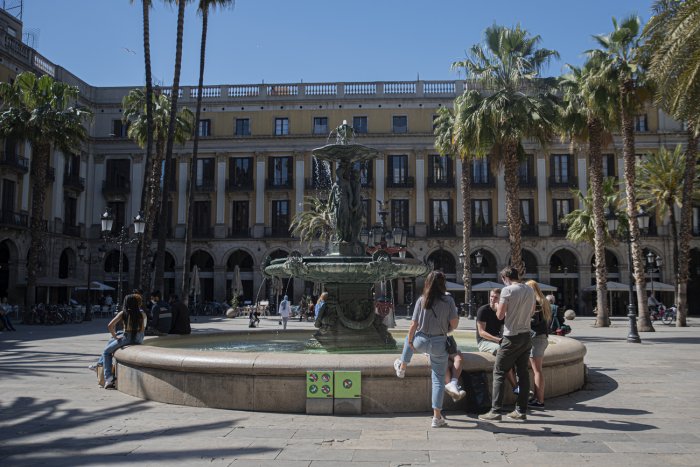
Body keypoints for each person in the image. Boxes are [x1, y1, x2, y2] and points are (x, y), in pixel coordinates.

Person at [393, 271, 459, 428]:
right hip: (439, 342)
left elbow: (413, 326)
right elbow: (454, 324)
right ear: (443, 284)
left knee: (409, 338)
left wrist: (410, 341)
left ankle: (402, 366)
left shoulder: (421, 300)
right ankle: (437, 417)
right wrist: (446, 329)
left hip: (421, 340)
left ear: (427, 283)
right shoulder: (448, 300)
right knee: (438, 378)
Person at [479, 266, 535, 422]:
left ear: (505, 278)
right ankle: (521, 410)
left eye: (503, 280)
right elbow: (531, 312)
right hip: (526, 336)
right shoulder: (529, 290)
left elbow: (500, 315)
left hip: (511, 336)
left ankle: (496, 411)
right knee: (523, 373)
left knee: (499, 372)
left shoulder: (507, 290)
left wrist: (497, 306)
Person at [94, 294, 147, 390]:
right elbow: (142, 329)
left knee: (106, 352)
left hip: (127, 338)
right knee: (112, 341)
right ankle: (98, 366)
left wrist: (115, 336)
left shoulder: (123, 313)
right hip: (138, 339)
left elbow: (110, 325)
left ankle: (109, 378)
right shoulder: (142, 314)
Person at [476, 288, 518, 392]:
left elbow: (507, 328)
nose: (492, 299)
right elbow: (481, 333)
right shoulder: (483, 310)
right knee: (503, 352)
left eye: (496, 297)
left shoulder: (501, 312)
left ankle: (518, 384)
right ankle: (515, 386)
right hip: (484, 341)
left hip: (498, 340)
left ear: (501, 299)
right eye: (491, 296)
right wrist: (498, 340)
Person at [525, 280, 552, 409]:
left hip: (536, 338)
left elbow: (533, 321)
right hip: (543, 337)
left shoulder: (534, 302)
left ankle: (539, 400)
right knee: (537, 370)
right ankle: (537, 398)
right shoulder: (544, 302)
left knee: (537, 371)